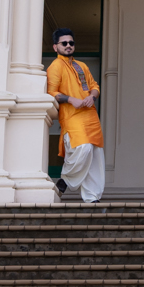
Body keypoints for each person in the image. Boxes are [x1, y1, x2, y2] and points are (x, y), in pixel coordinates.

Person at [46, 26, 104, 203]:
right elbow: (51, 92)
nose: (69, 45)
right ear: (55, 47)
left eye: (71, 43)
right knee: (82, 148)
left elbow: (94, 86)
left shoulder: (81, 66)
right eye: (64, 43)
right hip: (71, 116)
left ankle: (92, 197)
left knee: (95, 156)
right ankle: (65, 179)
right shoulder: (55, 66)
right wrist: (71, 99)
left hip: (91, 117)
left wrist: (92, 97)